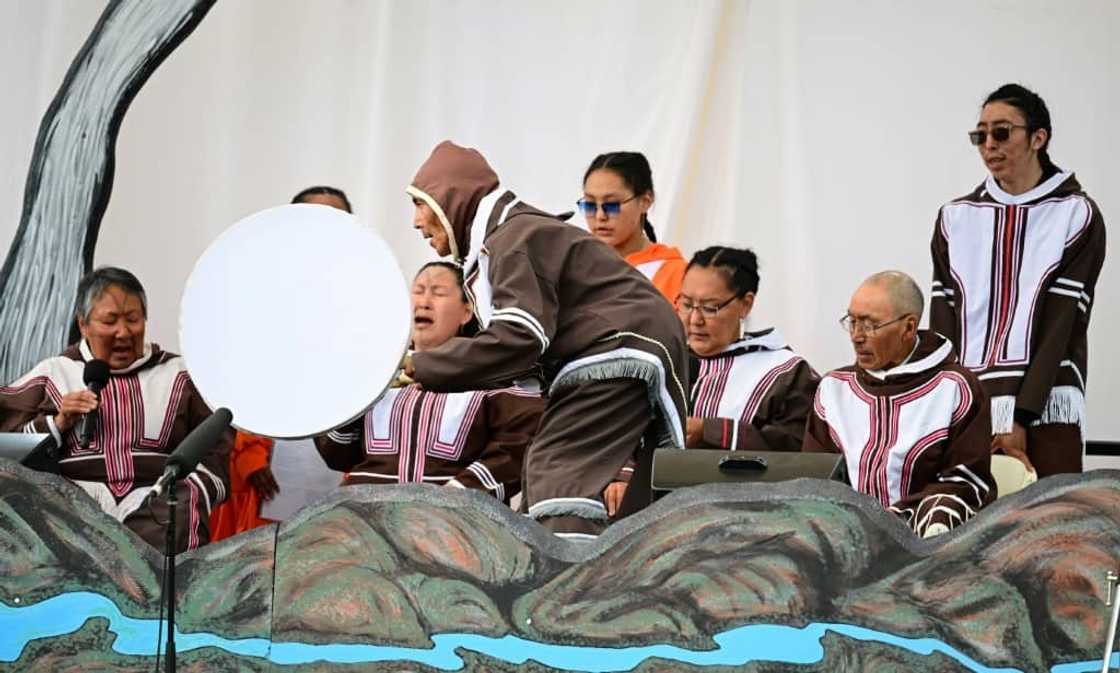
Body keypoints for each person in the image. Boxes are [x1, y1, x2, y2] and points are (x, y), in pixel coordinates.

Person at [402, 140, 688, 538]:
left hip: (615, 347)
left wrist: (421, 364)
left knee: (559, 472)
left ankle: (572, 590)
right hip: (615, 348)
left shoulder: (513, 239)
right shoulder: (511, 237)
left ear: (452, 200)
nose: (415, 222)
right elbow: (518, 352)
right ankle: (612, 577)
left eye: (421, 204)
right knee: (555, 474)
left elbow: (521, 337)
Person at [930, 84, 1106, 477]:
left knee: (1051, 526)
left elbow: (1061, 324)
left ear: (1038, 138)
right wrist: (943, 407)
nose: (989, 144)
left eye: (1002, 132)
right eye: (981, 135)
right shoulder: (955, 219)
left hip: (1045, 409)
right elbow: (943, 320)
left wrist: (1021, 417)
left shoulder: (1075, 214)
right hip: (968, 408)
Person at [0, 267, 231, 552]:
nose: (123, 332)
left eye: (133, 319)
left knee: (177, 513)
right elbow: (9, 444)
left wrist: (191, 491)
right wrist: (57, 423)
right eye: (110, 321)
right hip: (73, 504)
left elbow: (216, 445)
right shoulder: (53, 373)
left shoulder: (180, 374)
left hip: (159, 498)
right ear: (83, 325)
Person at [316, 262, 542, 500]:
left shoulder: (491, 373)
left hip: (456, 521)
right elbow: (337, 455)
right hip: (366, 515)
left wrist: (456, 495)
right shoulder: (376, 370)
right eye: (418, 290)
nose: (424, 302)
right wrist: (352, 402)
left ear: (467, 310)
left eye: (438, 292)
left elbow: (517, 444)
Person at [803, 271, 996, 538]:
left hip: (925, 541)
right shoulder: (834, 389)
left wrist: (894, 519)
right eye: (853, 321)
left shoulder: (955, 388)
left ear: (908, 327)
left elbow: (965, 482)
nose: (857, 336)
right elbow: (816, 479)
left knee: (942, 511)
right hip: (846, 537)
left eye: (870, 325)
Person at [679, 246, 819, 451]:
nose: (695, 320)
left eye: (710, 307)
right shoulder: (663, 360)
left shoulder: (784, 372)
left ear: (746, 304)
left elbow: (795, 447)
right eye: (686, 304)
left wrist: (711, 431)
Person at [581, 152, 686, 303]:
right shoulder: (574, 267)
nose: (600, 216)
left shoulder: (675, 274)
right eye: (590, 204)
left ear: (645, 201)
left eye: (612, 204)